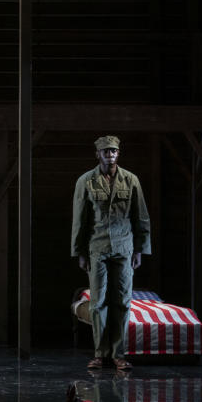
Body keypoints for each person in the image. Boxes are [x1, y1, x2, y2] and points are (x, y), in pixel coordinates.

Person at [71, 135, 150, 372]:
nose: (110, 155)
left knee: (123, 302)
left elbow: (141, 217)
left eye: (113, 151)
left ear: (118, 154)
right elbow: (80, 220)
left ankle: (118, 354)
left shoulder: (131, 180)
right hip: (97, 248)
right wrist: (80, 252)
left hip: (124, 248)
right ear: (98, 154)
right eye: (105, 151)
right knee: (98, 303)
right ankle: (100, 354)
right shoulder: (86, 181)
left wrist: (140, 249)